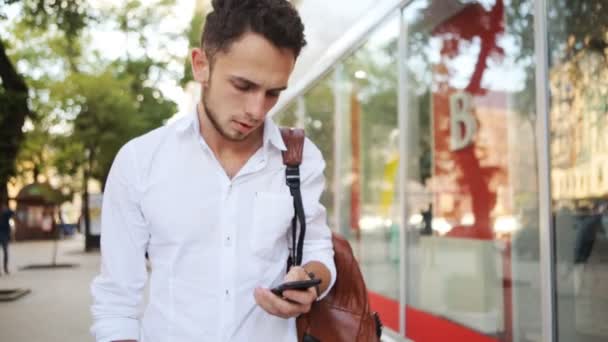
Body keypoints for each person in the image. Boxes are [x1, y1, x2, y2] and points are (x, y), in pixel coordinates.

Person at [90, 1, 336, 341]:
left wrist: (309, 281)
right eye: (243, 86)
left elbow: (319, 248)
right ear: (201, 65)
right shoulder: (139, 162)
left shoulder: (300, 158)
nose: (256, 110)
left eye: (273, 93)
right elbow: (117, 299)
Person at [0, 201, 14, 275]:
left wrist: (6, 209)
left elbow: (12, 212)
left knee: (5, 252)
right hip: (3, 234)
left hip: (4, 235)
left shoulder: (6, 214)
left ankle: (5, 268)